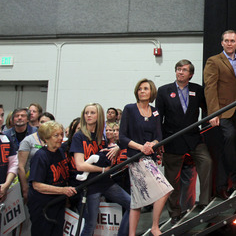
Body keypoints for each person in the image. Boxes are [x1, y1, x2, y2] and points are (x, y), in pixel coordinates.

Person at [156, 59, 212, 222]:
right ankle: (174, 213)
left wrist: (211, 118)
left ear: (191, 74)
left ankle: (204, 202)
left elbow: (207, 107)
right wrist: (159, 142)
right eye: (178, 69)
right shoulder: (164, 90)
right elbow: (159, 118)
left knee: (206, 161)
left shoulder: (197, 90)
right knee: (172, 179)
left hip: (194, 137)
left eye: (184, 70)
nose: (180, 72)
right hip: (172, 139)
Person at [120, 79, 173, 236]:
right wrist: (141, 147)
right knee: (164, 190)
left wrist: (152, 144)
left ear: (152, 93)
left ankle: (141, 231)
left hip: (149, 158)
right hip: (135, 159)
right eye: (140, 89)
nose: (142, 91)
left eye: (146, 89)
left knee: (137, 201)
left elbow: (158, 136)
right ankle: (154, 227)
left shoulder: (155, 111)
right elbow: (122, 137)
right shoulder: (129, 109)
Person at [70, 103, 130, 236]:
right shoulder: (78, 136)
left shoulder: (101, 136)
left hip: (105, 181)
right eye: (86, 113)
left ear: (99, 115)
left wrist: (115, 149)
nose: (89, 116)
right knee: (90, 223)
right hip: (91, 184)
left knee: (132, 204)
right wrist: (103, 169)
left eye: (92, 113)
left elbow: (115, 145)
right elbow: (79, 165)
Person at [204, 30, 236, 199]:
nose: (229, 43)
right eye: (226, 41)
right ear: (222, 43)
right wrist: (214, 113)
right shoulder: (214, 61)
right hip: (221, 112)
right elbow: (210, 87)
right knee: (229, 137)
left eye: (232, 41)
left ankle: (221, 186)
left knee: (228, 148)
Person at [27, 121, 77, 235]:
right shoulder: (40, 156)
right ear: (46, 138)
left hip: (58, 204)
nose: (60, 138)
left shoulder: (60, 152)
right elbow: (37, 185)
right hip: (43, 206)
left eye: (61, 134)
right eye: (56, 135)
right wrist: (63, 191)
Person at [0, 123, 18, 203]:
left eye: (2, 115)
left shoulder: (6, 138)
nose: (0, 119)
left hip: (3, 187)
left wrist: (6, 185)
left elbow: (14, 163)